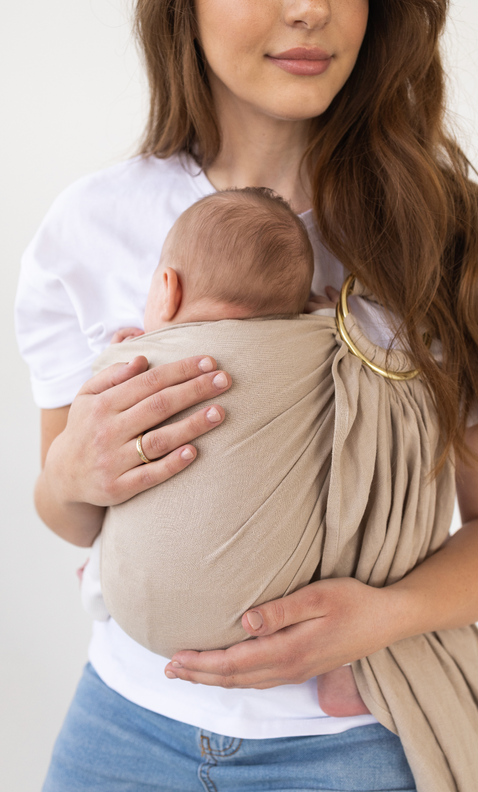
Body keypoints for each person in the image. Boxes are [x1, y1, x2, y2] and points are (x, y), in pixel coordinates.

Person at [14, 0, 478, 790]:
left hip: (351, 746)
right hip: (121, 731)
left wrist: (384, 617)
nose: (309, 10)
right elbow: (68, 518)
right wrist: (70, 476)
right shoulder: (88, 226)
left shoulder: (450, 239)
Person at [81, 184, 368, 716]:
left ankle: (101, 576)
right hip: (274, 615)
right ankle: (342, 673)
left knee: (130, 515)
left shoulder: (135, 362)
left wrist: (122, 349)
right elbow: (348, 335)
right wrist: (325, 315)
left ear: (166, 289)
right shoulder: (322, 342)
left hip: (135, 618)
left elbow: (93, 420)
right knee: (338, 498)